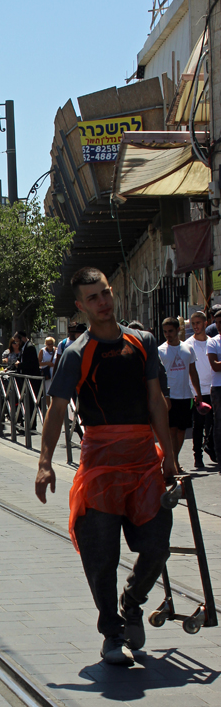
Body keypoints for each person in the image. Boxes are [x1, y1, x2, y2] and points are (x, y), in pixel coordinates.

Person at [35, 266, 175, 667]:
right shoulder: (76, 353)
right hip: (100, 465)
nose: (103, 302)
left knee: (157, 547)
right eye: (93, 297)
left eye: (106, 293)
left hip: (144, 460)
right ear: (81, 306)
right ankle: (112, 633)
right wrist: (44, 463)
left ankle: (132, 602)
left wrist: (171, 458)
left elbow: (156, 402)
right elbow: (56, 409)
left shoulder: (143, 342)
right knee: (101, 555)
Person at [158, 317, 201, 458]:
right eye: (165, 332)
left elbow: (193, 372)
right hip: (170, 397)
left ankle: (174, 459)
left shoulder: (188, 349)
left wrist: (198, 393)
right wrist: (163, 396)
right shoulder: (160, 351)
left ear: (178, 330)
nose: (167, 334)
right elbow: (157, 376)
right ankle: (173, 462)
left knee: (182, 430)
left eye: (170, 331)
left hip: (186, 395)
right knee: (172, 430)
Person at [185, 311, 216, 469]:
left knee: (215, 422)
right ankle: (198, 456)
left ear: (205, 323)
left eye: (198, 323)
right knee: (198, 425)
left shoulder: (212, 342)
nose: (195, 326)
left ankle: (210, 446)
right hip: (197, 391)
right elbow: (189, 370)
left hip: (213, 388)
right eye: (193, 323)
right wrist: (194, 392)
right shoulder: (188, 344)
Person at [205, 326, 221, 473]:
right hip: (218, 388)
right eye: (218, 323)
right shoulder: (213, 342)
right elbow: (215, 366)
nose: (219, 325)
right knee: (219, 424)